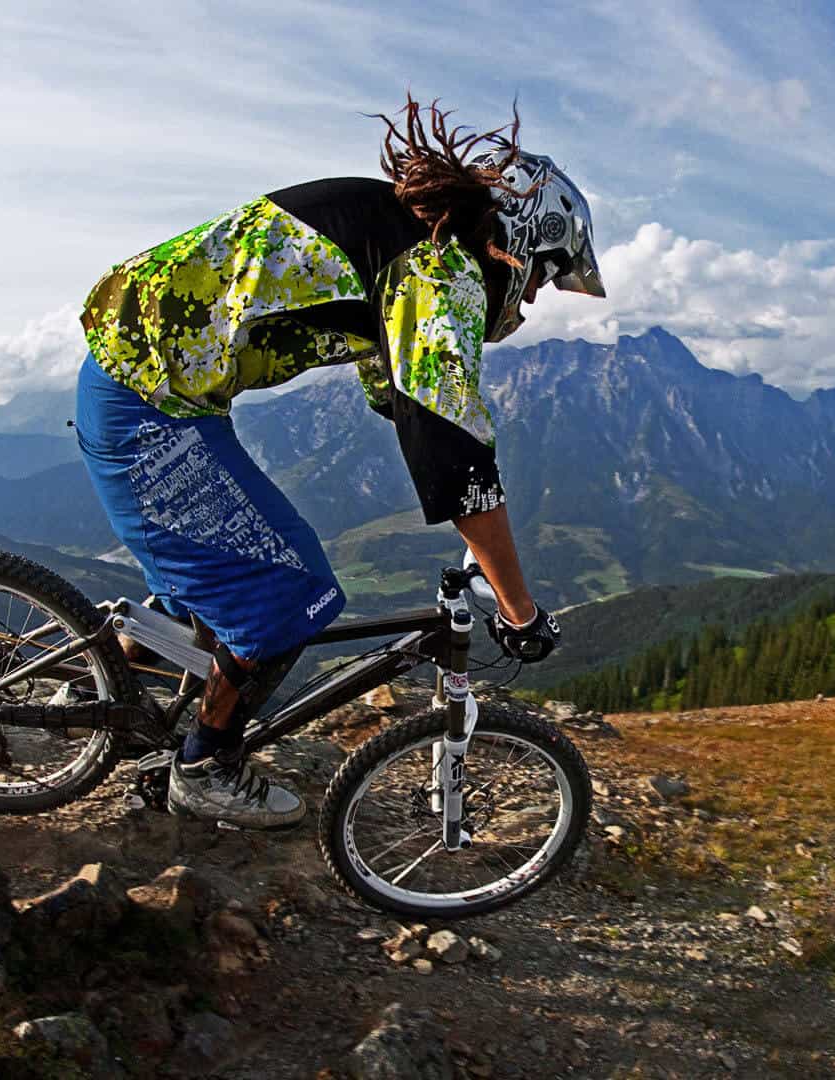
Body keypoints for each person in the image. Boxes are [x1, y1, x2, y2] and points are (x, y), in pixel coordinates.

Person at [73, 97, 602, 827]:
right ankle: (204, 766)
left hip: (139, 380)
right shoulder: (435, 271)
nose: (534, 296)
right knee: (291, 594)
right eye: (543, 276)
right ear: (518, 242)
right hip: (147, 399)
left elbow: (404, 399)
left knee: (220, 584)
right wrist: (519, 610)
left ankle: (91, 692)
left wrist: (464, 490)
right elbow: (449, 444)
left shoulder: (405, 236)